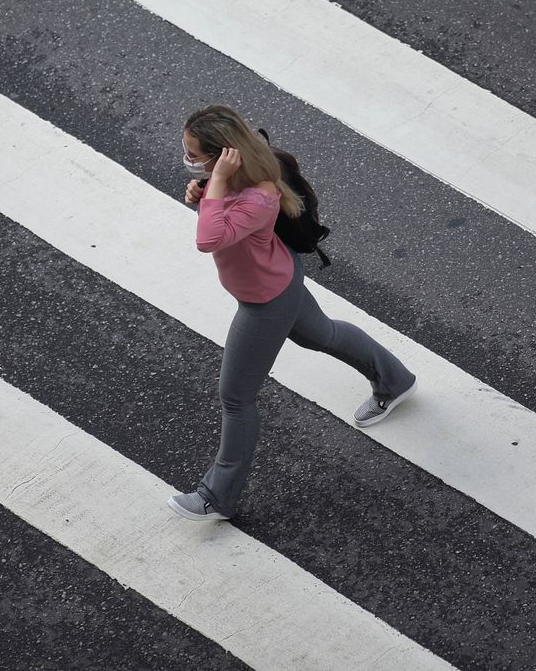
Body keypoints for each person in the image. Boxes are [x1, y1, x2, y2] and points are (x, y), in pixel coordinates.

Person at [167, 105, 417, 522]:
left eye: (194, 154)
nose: (189, 159)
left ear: (224, 154)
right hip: (280, 277)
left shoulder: (259, 195)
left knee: (236, 398)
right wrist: (206, 189)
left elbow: (210, 239)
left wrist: (214, 188)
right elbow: (222, 217)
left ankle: (217, 497)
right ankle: (395, 380)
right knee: (322, 334)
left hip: (265, 301)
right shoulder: (238, 173)